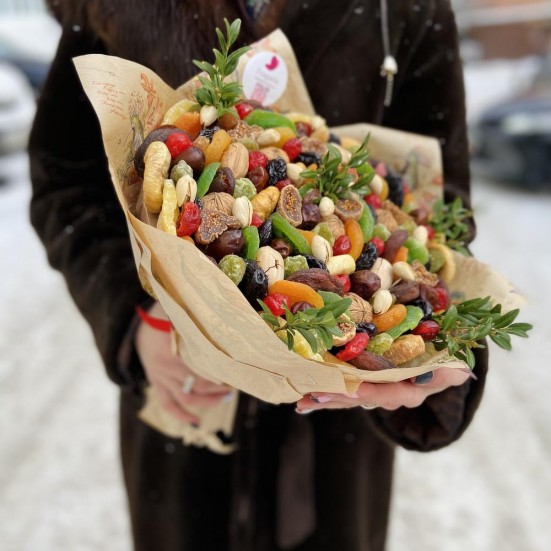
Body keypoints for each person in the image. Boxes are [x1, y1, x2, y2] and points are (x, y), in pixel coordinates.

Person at [29, 1, 487, 550]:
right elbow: (65, 179)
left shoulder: (407, 8)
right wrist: (133, 318)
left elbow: (438, 215)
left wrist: (432, 353)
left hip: (334, 452)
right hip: (185, 424)